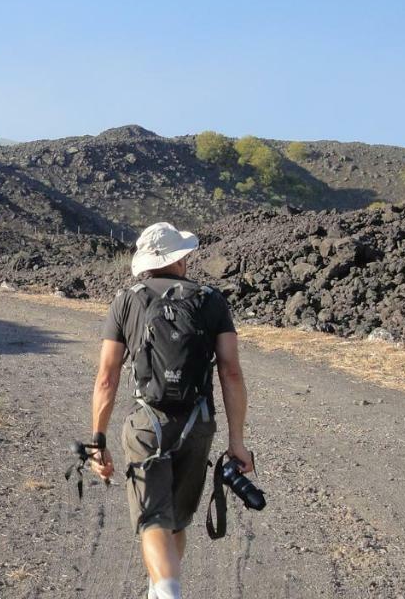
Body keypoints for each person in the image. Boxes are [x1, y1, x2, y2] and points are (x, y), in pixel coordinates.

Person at [87, 222, 253, 599]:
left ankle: (165, 593)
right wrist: (237, 442)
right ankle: (161, 592)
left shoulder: (126, 300)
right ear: (179, 259)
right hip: (198, 423)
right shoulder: (211, 301)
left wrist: (98, 439)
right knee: (176, 521)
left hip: (147, 424)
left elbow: (107, 378)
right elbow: (231, 371)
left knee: (153, 520)